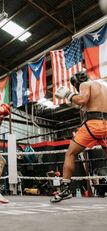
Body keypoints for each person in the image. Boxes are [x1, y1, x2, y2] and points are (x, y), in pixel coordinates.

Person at [50, 71, 107, 202]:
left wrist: (68, 94)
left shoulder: (85, 85)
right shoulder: (104, 87)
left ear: (76, 83)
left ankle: (65, 189)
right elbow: (87, 105)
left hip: (93, 125)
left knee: (70, 154)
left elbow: (82, 100)